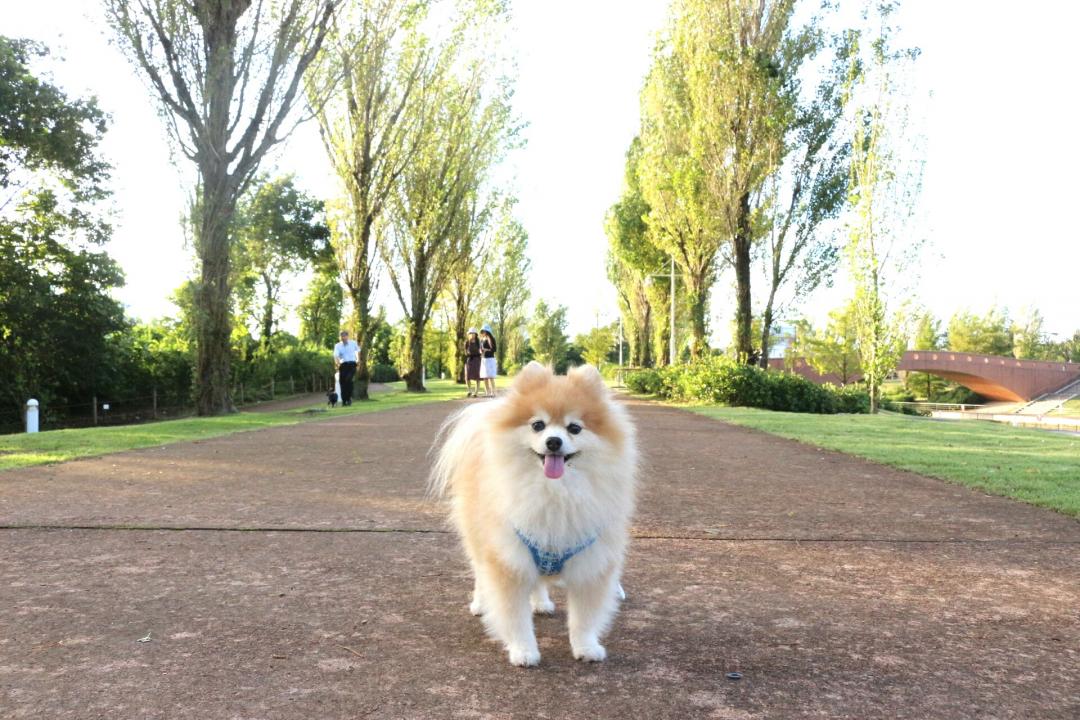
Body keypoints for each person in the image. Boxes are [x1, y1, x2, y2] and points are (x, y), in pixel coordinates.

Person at [333, 330, 359, 406]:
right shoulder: (337, 345)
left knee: (348, 380)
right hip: (343, 365)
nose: (343, 338)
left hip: (352, 364)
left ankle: (349, 398)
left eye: (344, 336)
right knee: (343, 383)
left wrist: (358, 360)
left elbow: (358, 351)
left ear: (347, 336)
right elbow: (336, 355)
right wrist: (337, 364)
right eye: (342, 336)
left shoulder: (353, 343)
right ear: (340, 337)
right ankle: (344, 401)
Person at [479, 324, 498, 398]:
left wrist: (486, 350)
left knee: (490, 376)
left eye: (484, 331)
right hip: (484, 359)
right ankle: (487, 392)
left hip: (490, 359)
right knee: (485, 377)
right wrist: (481, 351)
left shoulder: (491, 338)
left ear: (487, 331)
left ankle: (494, 392)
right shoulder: (482, 339)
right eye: (482, 331)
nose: (483, 332)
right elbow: (480, 349)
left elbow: (494, 349)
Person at [464, 328, 482, 398]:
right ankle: (469, 391)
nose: (472, 335)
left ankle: (476, 392)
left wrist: (480, 352)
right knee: (467, 376)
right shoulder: (467, 342)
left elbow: (481, 350)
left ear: (475, 334)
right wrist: (467, 353)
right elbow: (465, 352)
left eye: (473, 333)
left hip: (477, 360)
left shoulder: (478, 342)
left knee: (477, 376)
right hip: (469, 360)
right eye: (470, 333)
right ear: (469, 334)